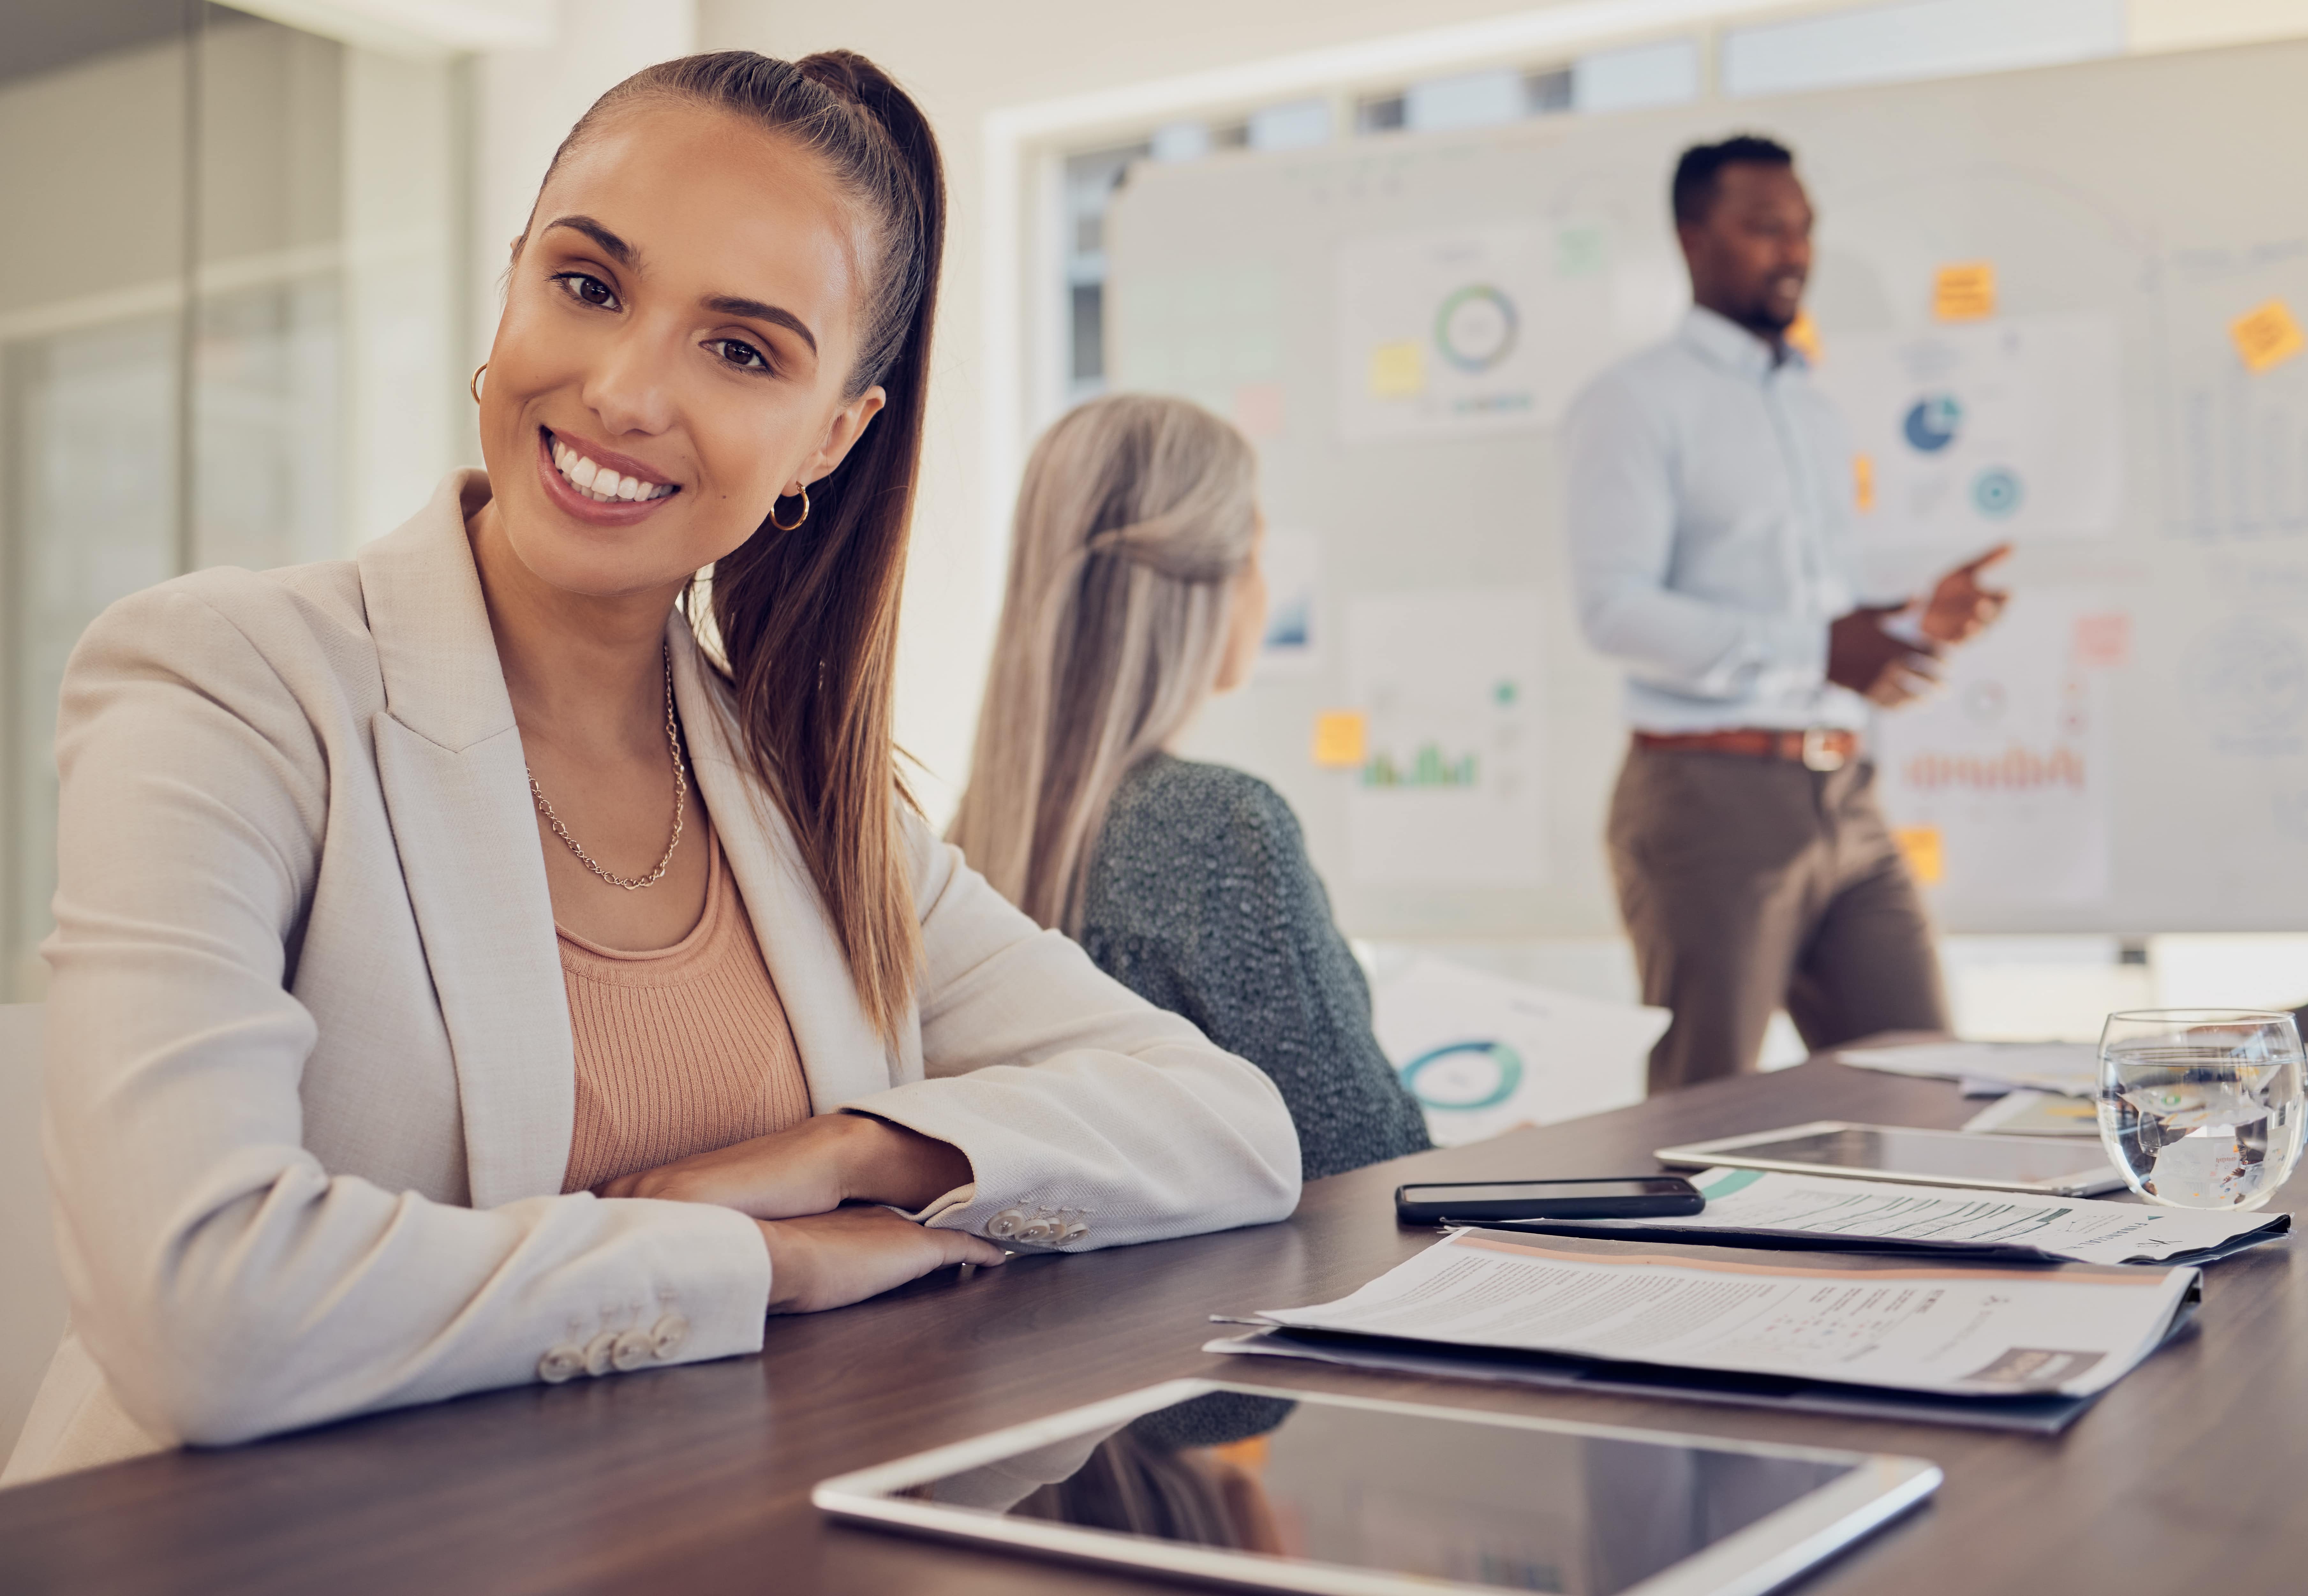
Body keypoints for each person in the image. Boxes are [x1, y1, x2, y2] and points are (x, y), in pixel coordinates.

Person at [4, 51, 1299, 1486]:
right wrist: (752, 1265)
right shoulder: (229, 684)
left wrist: (852, 1154)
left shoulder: (797, 791)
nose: (623, 391)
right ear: (512, 284)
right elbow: (206, 1316)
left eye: (741, 350)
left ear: (832, 437)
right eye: (590, 285)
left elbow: (1233, 1129)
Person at [1563, 134, 2008, 1093]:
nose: (1792, 251)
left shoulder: (1811, 406)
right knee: (1696, 1111)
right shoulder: (1634, 402)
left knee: (1932, 1090)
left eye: (1801, 228)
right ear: (1691, 237)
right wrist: (1816, 647)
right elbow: (1612, 611)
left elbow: (1810, 618)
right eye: (1764, 228)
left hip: (1846, 796)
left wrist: (1907, 624)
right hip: (1709, 798)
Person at [947, 395, 1430, 1180]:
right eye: (1257, 556)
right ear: (1203, 587)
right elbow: (1366, 1159)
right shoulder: (1216, 829)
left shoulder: (961, 841)